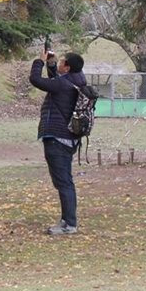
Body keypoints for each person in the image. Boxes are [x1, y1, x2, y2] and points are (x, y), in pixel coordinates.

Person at [30, 48, 88, 235]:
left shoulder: (65, 84)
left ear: (68, 67)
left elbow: (36, 80)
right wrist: (52, 65)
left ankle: (69, 224)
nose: (60, 63)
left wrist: (39, 61)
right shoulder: (76, 80)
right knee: (65, 181)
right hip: (69, 139)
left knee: (63, 182)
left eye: (62, 62)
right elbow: (57, 82)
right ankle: (67, 221)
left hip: (57, 138)